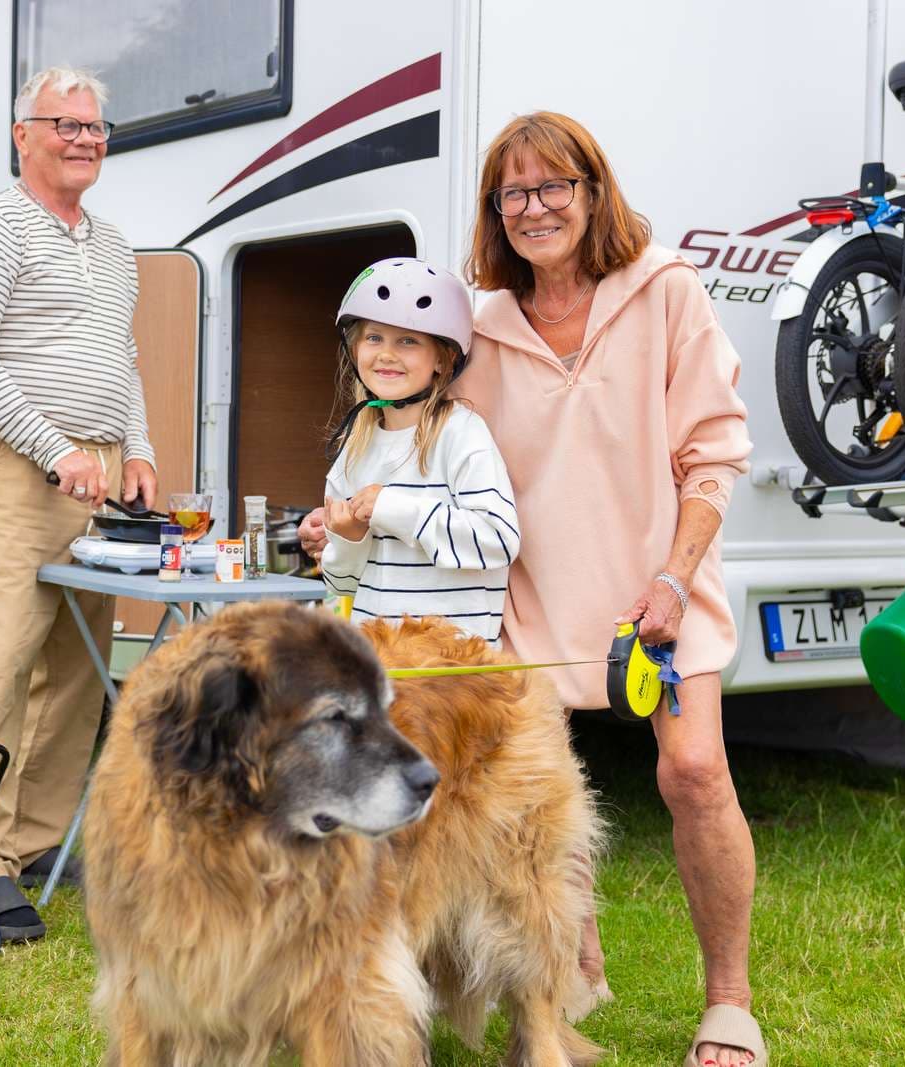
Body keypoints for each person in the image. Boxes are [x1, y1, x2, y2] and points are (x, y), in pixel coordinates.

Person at [300, 112, 761, 1067]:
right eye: (515, 192)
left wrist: (675, 576)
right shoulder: (482, 325)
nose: (536, 206)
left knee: (695, 773)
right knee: (530, 812)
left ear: (594, 191)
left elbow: (713, 454)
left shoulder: (664, 289)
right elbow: (426, 434)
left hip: (656, 586)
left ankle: (729, 1003)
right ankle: (558, 987)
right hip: (526, 603)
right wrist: (346, 521)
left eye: (556, 186)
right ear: (494, 210)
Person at [0, 67, 157, 943]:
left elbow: (125, 360)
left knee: (73, 669)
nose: (82, 139)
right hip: (21, 467)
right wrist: (52, 447)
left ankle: (29, 847)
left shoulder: (112, 244)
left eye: (96, 128)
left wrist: (134, 448)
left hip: (95, 472)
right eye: (63, 124)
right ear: (22, 135)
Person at [320, 258, 519, 643]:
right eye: (374, 337)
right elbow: (341, 584)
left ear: (442, 360)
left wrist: (394, 509)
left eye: (408, 341)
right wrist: (348, 538)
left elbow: (497, 542)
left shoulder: (461, 434)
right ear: (355, 347)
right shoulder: (354, 449)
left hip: (452, 673)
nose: (387, 354)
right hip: (381, 666)